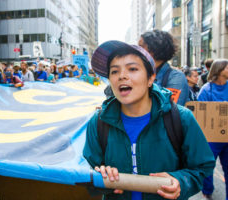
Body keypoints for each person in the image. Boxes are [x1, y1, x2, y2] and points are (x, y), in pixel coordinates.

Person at [83, 40, 215, 200]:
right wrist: (101, 178)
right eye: (114, 71)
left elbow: (202, 167)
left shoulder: (181, 118)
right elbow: (87, 174)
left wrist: (181, 182)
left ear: (150, 78)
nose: (122, 76)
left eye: (132, 69)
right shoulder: (98, 123)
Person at [198, 59, 228, 200]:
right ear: (220, 70)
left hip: (227, 135)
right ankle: (207, 191)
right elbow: (200, 113)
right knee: (208, 167)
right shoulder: (206, 89)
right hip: (211, 137)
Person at [138, 30, 189, 106]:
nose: (136, 50)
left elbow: (169, 109)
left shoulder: (176, 77)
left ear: (153, 50)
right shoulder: (141, 74)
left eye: (141, 47)